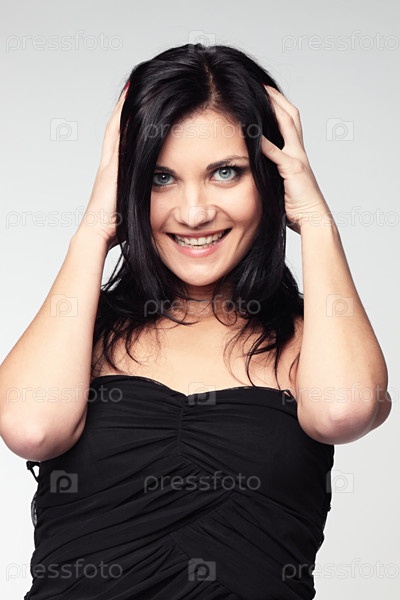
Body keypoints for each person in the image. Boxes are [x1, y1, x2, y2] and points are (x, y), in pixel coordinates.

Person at [0, 42, 391, 599]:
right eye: (161, 178)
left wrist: (316, 220)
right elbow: (31, 428)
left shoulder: (313, 341)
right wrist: (94, 229)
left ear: (271, 176)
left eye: (225, 172)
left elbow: (343, 411)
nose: (193, 212)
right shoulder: (83, 335)